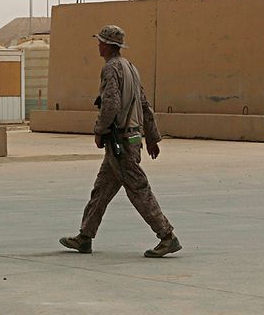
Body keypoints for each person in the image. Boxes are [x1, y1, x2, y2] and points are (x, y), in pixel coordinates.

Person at [59, 25, 181, 258]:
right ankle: (85, 237)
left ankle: (167, 236)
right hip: (130, 138)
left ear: (107, 45)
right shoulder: (130, 68)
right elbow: (144, 104)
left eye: (100, 42)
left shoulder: (111, 69)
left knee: (138, 189)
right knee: (101, 189)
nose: (98, 45)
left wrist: (100, 130)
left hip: (121, 141)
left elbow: (111, 104)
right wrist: (152, 137)